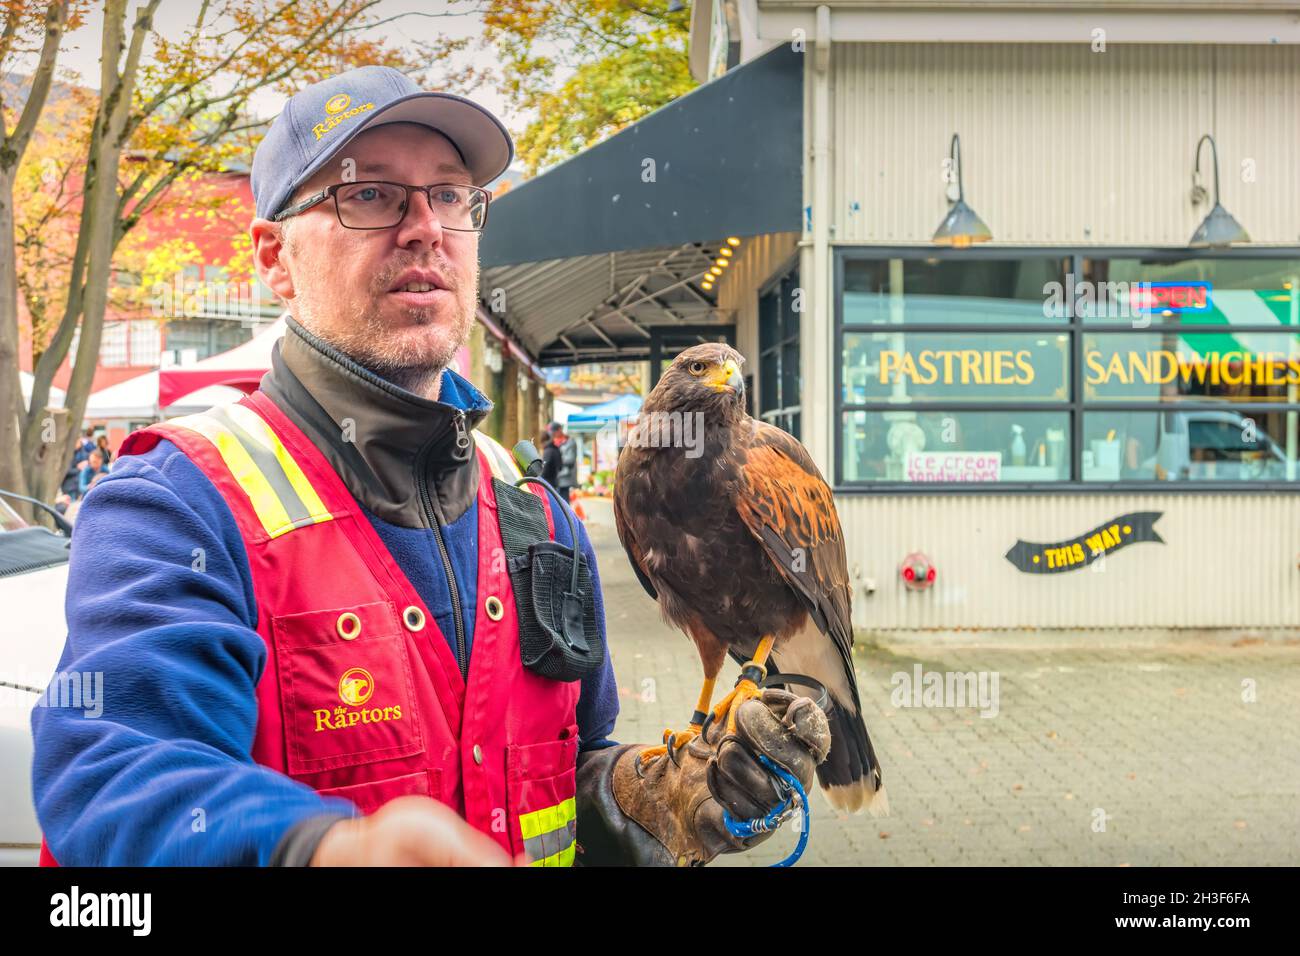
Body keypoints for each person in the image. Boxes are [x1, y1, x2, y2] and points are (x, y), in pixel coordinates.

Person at [31, 65, 825, 868]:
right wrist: (323, 851)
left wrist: (653, 797)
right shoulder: (177, 504)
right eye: (369, 195)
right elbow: (110, 777)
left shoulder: (537, 517)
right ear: (275, 258)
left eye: (449, 195)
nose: (425, 227)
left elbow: (566, 772)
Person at [543, 421, 578, 503]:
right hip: (555, 478)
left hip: (565, 478)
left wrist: (557, 459)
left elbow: (571, 459)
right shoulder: (554, 442)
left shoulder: (570, 442)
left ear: (559, 430)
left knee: (564, 504)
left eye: (554, 432)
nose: (553, 435)